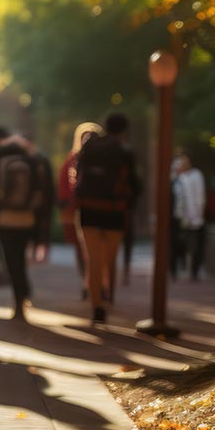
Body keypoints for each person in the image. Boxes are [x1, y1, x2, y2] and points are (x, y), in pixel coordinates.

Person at [74, 112, 139, 324]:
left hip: (88, 210)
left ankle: (97, 306)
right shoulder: (124, 151)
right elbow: (135, 184)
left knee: (93, 259)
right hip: (114, 210)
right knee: (108, 259)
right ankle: (106, 292)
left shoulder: (90, 147)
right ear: (124, 131)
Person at [0, 133, 54, 320]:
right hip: (26, 219)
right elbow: (42, 193)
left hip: (4, 219)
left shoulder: (0, 164)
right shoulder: (32, 164)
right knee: (20, 258)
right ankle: (22, 294)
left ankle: (18, 300)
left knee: (11, 260)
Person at [60, 122, 104, 297]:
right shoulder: (72, 159)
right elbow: (64, 184)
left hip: (90, 209)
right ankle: (90, 282)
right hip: (81, 209)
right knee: (85, 249)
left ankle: (95, 283)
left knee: (93, 250)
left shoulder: (77, 159)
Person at [171, 149, 208, 280]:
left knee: (195, 246)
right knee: (177, 244)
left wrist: (197, 216)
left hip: (194, 217)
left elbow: (199, 197)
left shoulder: (196, 175)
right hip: (178, 217)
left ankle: (194, 272)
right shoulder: (175, 178)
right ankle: (175, 270)